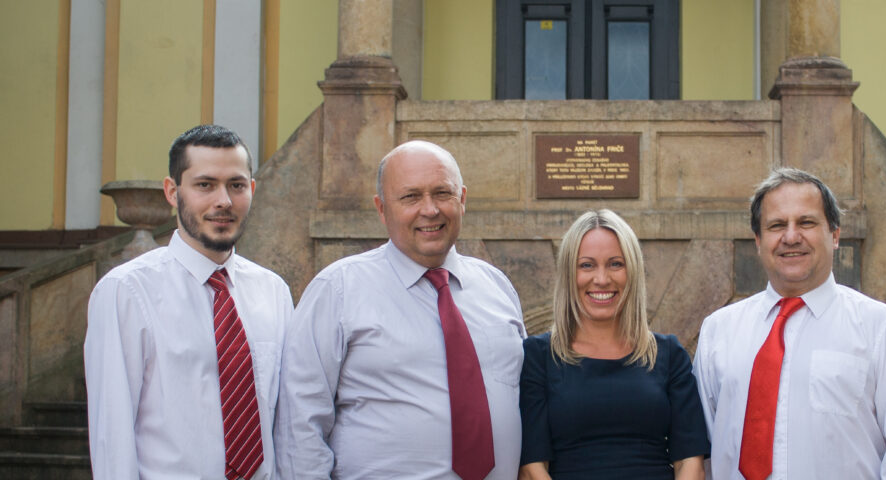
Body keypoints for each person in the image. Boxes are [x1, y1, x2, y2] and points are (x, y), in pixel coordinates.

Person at [274, 140, 526, 480]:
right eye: (411, 197)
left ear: (462, 199)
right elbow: (299, 422)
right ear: (381, 208)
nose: (430, 210)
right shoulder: (339, 289)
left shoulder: (496, 287)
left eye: (442, 193)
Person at [693, 167, 886, 479]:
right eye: (776, 225)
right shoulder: (719, 332)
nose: (791, 237)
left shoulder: (883, 329)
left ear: (835, 235)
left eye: (806, 223)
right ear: (758, 240)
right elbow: (700, 455)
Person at [85, 124, 291, 479]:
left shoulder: (273, 291)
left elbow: (286, 422)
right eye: (205, 185)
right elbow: (111, 437)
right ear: (172, 191)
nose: (224, 201)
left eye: (237, 185)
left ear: (252, 190)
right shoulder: (126, 292)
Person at [518, 209, 709, 480]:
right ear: (569, 274)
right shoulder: (538, 356)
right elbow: (532, 469)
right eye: (587, 265)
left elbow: (690, 463)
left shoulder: (669, 354)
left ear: (633, 271)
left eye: (615, 264)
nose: (602, 279)